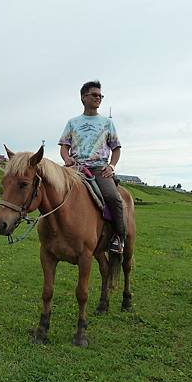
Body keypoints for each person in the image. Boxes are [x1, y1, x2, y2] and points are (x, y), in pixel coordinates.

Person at [58, 80, 126, 253]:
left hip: (99, 169)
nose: (98, 98)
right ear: (83, 97)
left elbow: (116, 149)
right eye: (94, 95)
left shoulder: (107, 123)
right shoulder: (72, 122)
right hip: (75, 169)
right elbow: (64, 146)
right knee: (53, 191)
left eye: (100, 95)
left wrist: (111, 166)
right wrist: (67, 159)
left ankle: (118, 238)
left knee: (114, 198)